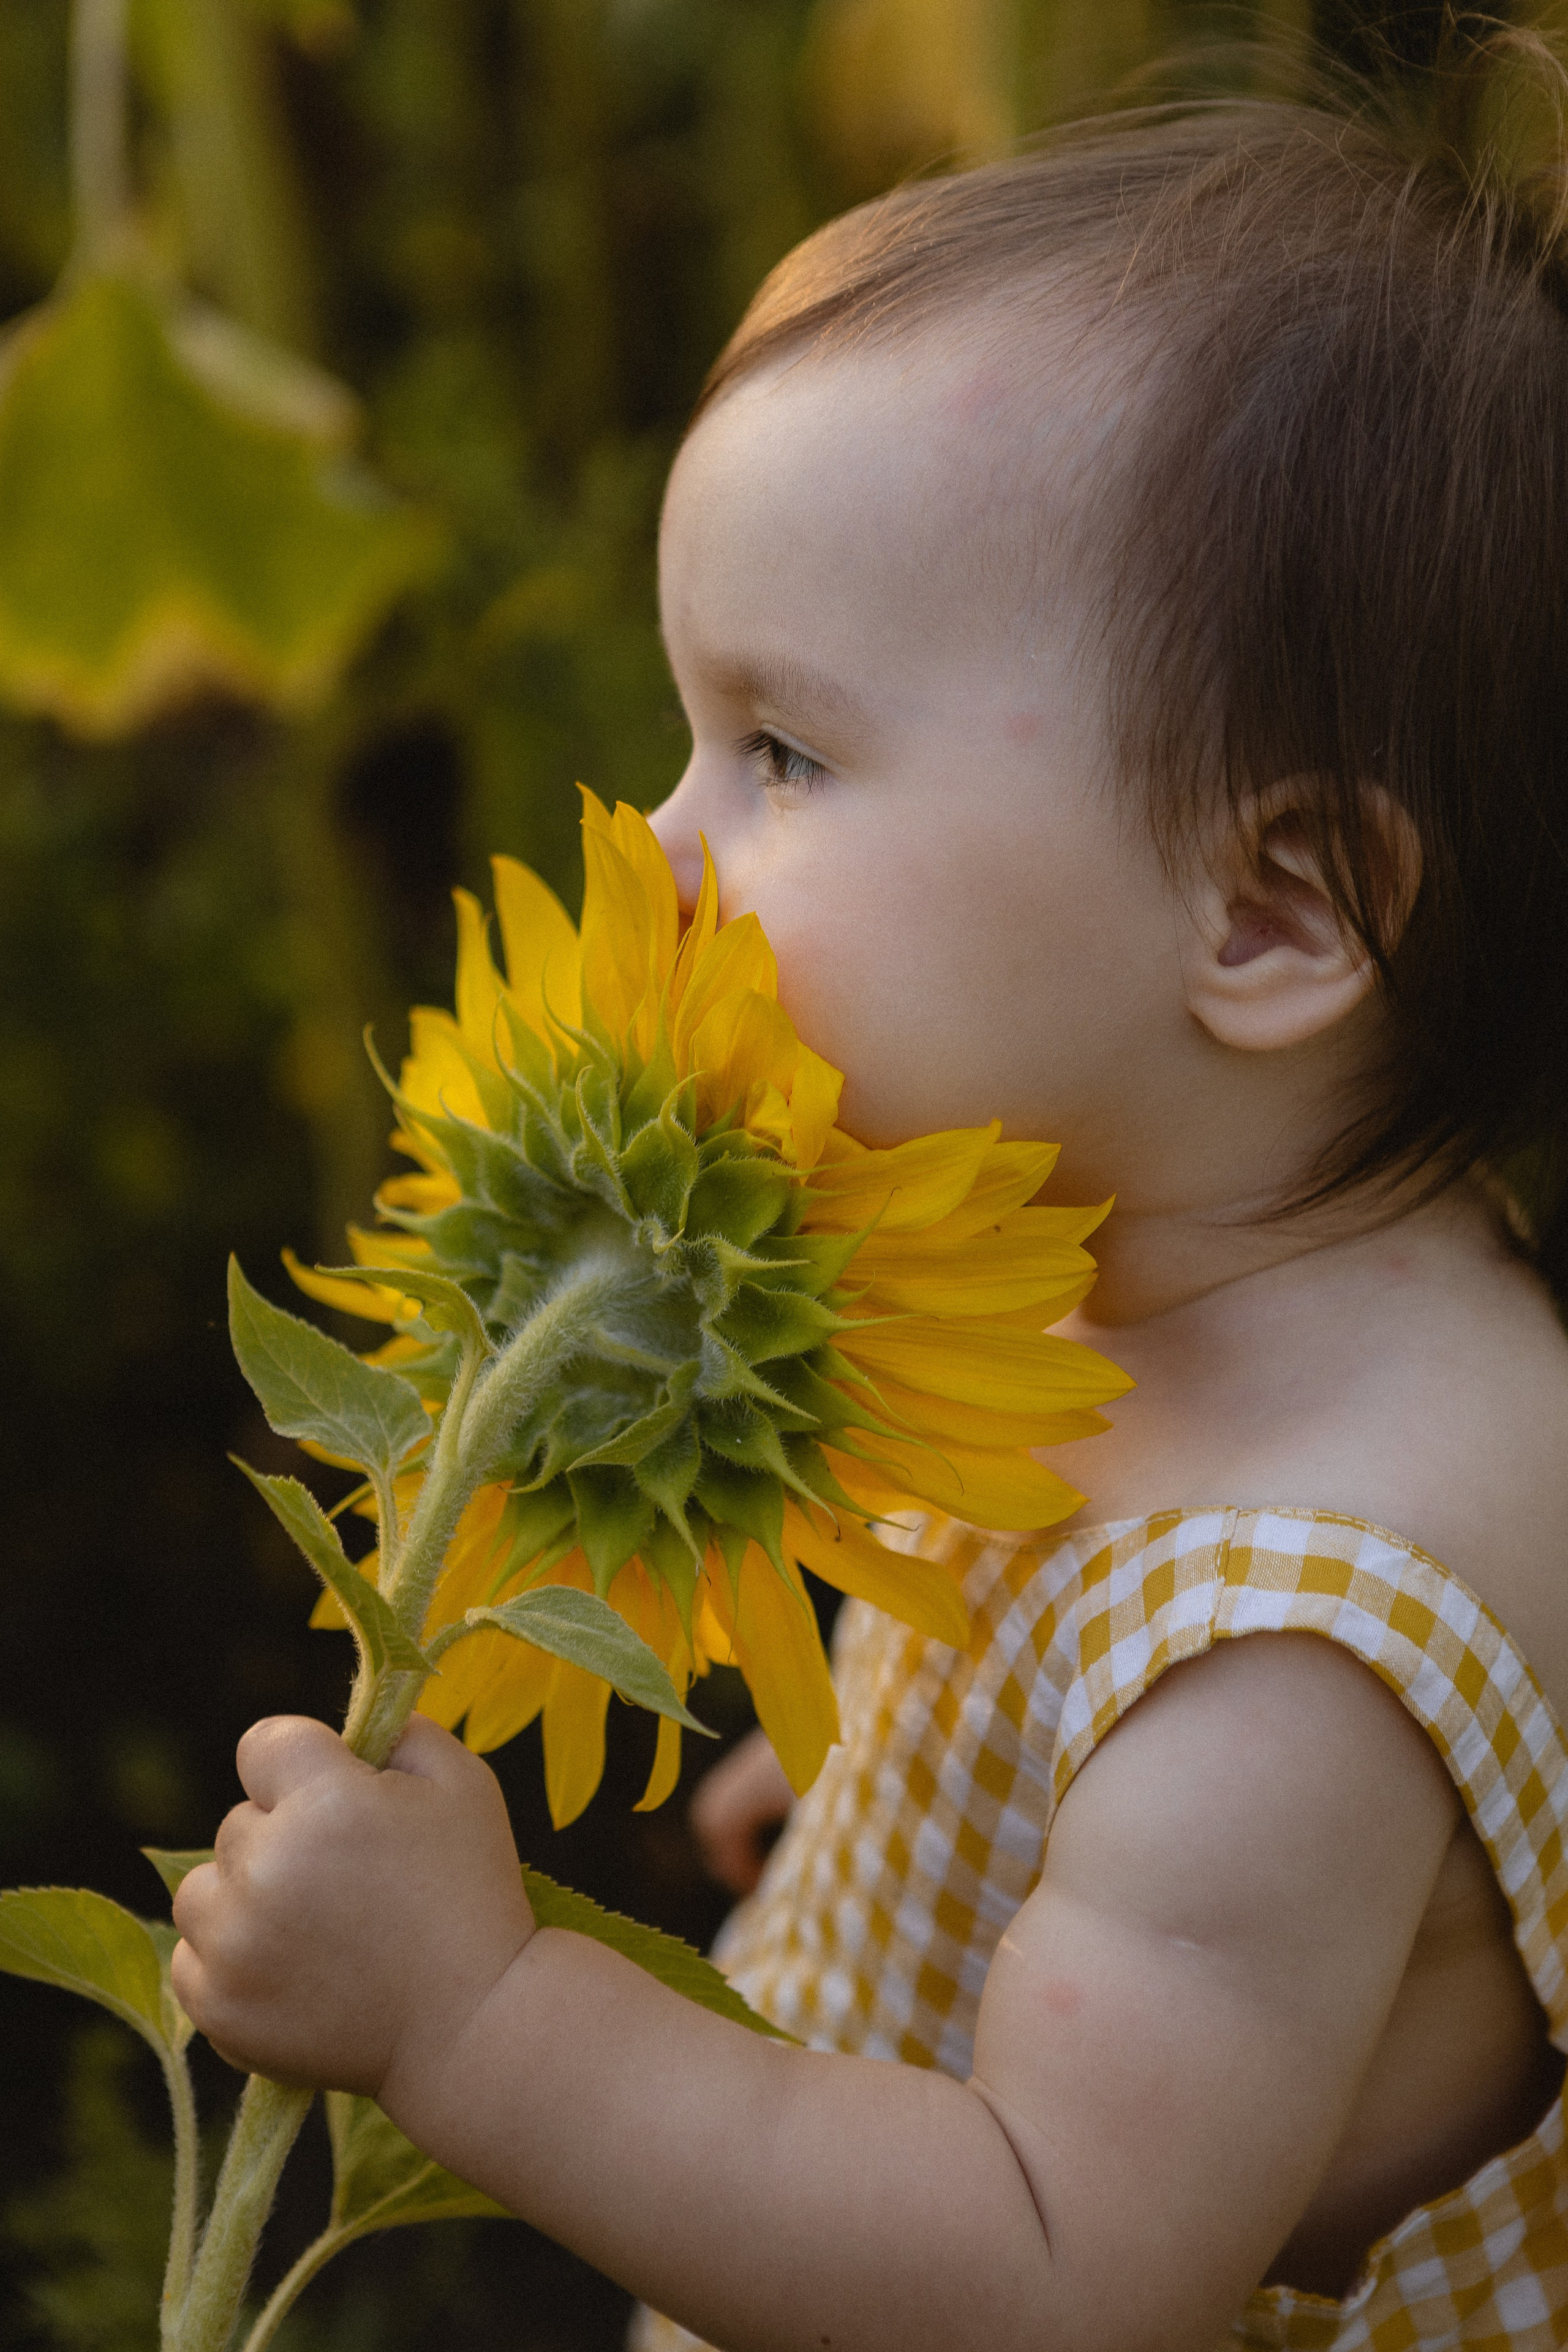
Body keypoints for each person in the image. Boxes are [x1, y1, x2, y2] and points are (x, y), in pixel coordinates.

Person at [172, 64, 1568, 2352]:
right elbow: (1061, 1693)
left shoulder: (1298, 1657)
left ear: (1275, 916)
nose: (657, 843)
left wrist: (476, 2020)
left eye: (784, 749)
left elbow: (1051, 2272)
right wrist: (900, 1809)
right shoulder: (1208, 1245)